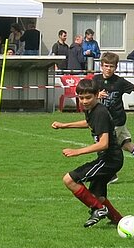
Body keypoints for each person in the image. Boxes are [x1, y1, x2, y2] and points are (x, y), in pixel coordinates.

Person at [52, 78, 125, 228]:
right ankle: (119, 220)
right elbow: (89, 123)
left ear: (97, 95)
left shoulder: (100, 112)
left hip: (110, 160)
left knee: (69, 180)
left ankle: (99, 209)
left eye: (88, 97)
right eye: (81, 98)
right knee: (97, 196)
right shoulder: (91, 110)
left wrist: (77, 151)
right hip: (109, 159)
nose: (84, 101)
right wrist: (64, 126)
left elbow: (103, 144)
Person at [93, 52, 134, 182]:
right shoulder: (96, 80)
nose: (108, 69)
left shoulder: (119, 81)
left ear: (116, 67)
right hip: (107, 120)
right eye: (106, 65)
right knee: (127, 145)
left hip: (115, 121)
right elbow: (88, 95)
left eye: (111, 66)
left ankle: (109, 174)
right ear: (101, 66)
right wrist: (97, 95)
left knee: (102, 145)